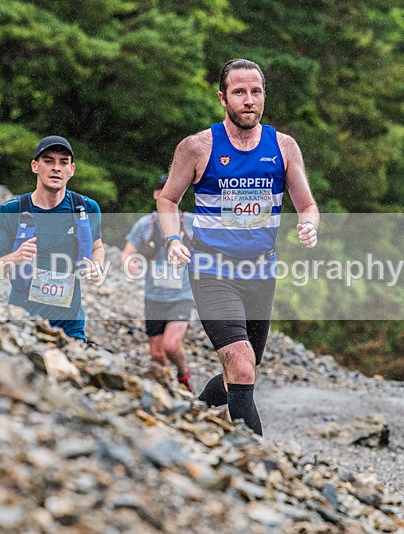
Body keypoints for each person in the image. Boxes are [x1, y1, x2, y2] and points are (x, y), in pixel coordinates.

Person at [157, 58, 319, 436]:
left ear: (264, 96)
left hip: (260, 272)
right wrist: (173, 240)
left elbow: (307, 205)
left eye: (256, 91)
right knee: (242, 364)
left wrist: (309, 225)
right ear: (223, 98)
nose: (249, 100)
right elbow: (167, 199)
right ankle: (258, 462)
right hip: (212, 270)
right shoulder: (197, 147)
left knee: (242, 374)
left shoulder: (283, 146)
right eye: (239, 92)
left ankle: (192, 415)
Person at [0, 135, 104, 342]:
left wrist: (97, 267)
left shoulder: (86, 209)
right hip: (23, 322)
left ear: (71, 170)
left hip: (70, 324)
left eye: (63, 162)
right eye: (48, 161)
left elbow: (97, 247)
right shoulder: (12, 211)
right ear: (35, 166)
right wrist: (15, 257)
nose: (56, 168)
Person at [121, 174, 195, 393]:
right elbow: (126, 254)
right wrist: (131, 264)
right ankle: (169, 394)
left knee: (170, 346)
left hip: (182, 296)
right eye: (164, 191)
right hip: (153, 296)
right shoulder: (146, 225)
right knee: (156, 355)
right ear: (156, 195)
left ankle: (183, 375)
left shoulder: (190, 222)